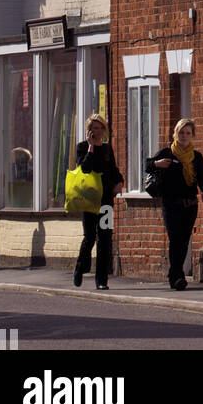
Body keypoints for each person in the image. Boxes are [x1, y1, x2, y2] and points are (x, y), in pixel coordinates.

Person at [146, 117, 203, 290]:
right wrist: (156, 163)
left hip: (190, 205)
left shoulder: (196, 157)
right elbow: (148, 166)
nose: (184, 136)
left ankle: (175, 274)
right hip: (171, 204)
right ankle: (177, 275)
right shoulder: (167, 153)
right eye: (181, 132)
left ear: (192, 136)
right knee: (175, 239)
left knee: (184, 240)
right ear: (176, 134)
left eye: (188, 133)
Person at [73, 113, 124, 290]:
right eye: (92, 128)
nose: (95, 131)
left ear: (104, 130)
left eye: (99, 128)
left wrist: (120, 182)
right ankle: (80, 269)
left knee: (105, 238)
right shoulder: (82, 147)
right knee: (89, 237)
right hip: (89, 201)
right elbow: (84, 169)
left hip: (105, 201)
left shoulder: (108, 149)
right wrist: (91, 149)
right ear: (88, 131)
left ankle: (101, 280)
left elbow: (114, 169)